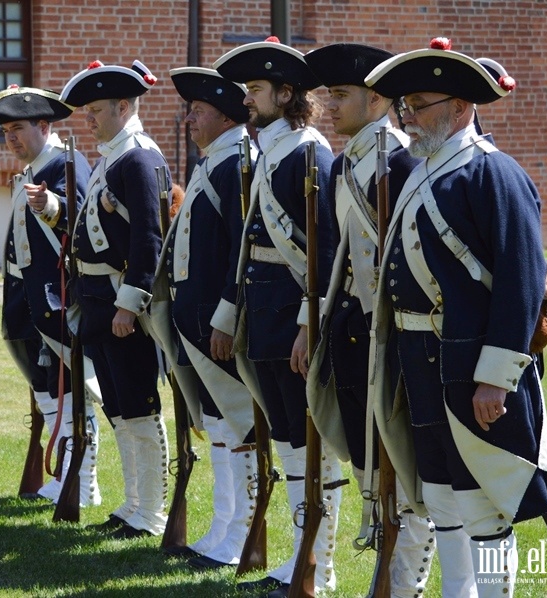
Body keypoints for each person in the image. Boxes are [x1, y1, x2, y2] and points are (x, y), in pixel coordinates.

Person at [363, 38, 547, 597]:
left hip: (473, 368)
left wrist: (496, 377)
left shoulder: (492, 174)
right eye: (405, 106)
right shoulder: (422, 172)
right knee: (443, 499)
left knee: (484, 506)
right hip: (422, 365)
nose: (407, 118)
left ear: (461, 107)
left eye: (418, 104)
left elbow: (521, 283)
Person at [303, 43, 436, 597]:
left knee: (405, 471)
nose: (328, 106)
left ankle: (404, 585)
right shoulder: (345, 163)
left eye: (340, 94)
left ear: (377, 98)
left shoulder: (403, 162)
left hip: (399, 338)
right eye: (327, 94)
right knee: (368, 466)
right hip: (354, 334)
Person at [213, 38, 342, 596]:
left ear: (286, 94)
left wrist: (308, 323)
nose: (248, 100)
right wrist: (228, 313)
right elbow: (248, 243)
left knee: (311, 439)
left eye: (256, 90)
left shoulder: (309, 153)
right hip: (263, 312)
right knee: (288, 440)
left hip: (292, 315)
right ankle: (297, 561)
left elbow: (325, 248)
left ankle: (318, 566)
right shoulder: (272, 148)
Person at [149, 66, 257, 569]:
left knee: (238, 429)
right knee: (216, 427)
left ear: (225, 116)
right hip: (197, 326)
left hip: (218, 326)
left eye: (199, 111)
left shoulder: (236, 163)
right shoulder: (214, 161)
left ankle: (240, 536)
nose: (189, 119)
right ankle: (222, 528)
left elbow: (240, 249)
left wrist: (226, 316)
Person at [59, 60, 171, 539]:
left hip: (123, 304)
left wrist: (130, 303)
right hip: (100, 302)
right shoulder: (114, 156)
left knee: (140, 407)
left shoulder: (139, 158)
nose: (90, 119)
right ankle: (133, 505)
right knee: (120, 411)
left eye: (98, 110)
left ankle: (152, 513)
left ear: (125, 106)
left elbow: (149, 239)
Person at [0, 84, 101, 507]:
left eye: (18, 128)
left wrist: (53, 204)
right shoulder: (33, 170)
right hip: (25, 298)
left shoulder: (66, 164)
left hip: (56, 298)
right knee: (45, 390)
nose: (11, 138)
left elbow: (83, 218)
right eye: (5, 132)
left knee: (70, 390)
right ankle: (64, 477)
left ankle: (82, 482)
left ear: (44, 126)